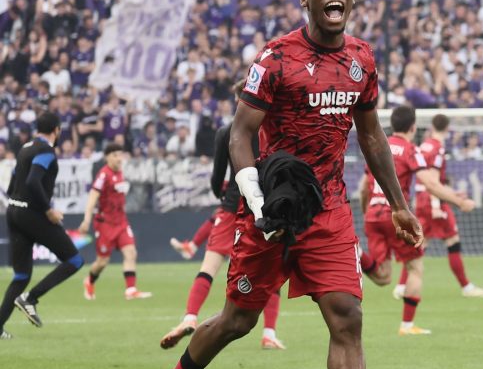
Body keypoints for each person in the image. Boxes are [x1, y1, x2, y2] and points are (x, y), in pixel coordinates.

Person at [150, 0, 422, 369]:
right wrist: (254, 200)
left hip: (329, 209)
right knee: (238, 320)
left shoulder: (362, 59)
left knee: (348, 315)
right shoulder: (275, 59)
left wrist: (399, 202)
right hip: (271, 211)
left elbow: (370, 137)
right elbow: (239, 133)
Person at [160, 107, 285, 351]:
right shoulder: (272, 130)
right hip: (261, 210)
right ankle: (269, 333)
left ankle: (189, 317)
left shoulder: (227, 132)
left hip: (231, 208)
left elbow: (217, 178)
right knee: (272, 272)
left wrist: (225, 196)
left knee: (209, 267)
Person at [359, 106, 475, 336]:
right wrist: (458, 202)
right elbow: (430, 184)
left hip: (373, 214)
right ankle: (407, 325)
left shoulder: (376, 145)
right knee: (415, 267)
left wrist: (366, 212)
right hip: (395, 214)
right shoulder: (410, 149)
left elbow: (364, 187)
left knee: (383, 276)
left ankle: (356, 252)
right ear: (413, 128)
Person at [0, 111, 86, 339]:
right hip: (31, 213)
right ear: (57, 130)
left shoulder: (25, 148)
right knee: (75, 260)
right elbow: (33, 180)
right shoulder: (46, 151)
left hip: (13, 211)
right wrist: (48, 210)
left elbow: (13, 185)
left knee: (21, 275)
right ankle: (31, 298)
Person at [391, 113, 483, 300]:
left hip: (422, 199)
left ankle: (401, 285)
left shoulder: (424, 144)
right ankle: (466, 287)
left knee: (420, 244)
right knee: (452, 241)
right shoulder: (438, 148)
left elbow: (427, 179)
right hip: (432, 201)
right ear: (447, 128)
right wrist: (438, 203)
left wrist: (452, 194)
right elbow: (434, 181)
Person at [79, 143, 152, 300]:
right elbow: (93, 196)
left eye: (120, 155)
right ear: (107, 157)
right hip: (105, 223)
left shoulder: (120, 173)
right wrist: (86, 219)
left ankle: (131, 289)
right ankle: (89, 281)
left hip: (121, 222)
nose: (119, 158)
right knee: (102, 261)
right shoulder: (103, 175)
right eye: (115, 155)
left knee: (131, 252)